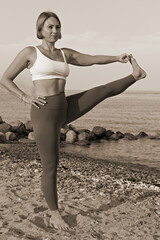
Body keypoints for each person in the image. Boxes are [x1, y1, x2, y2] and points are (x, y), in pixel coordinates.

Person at [0, 11, 146, 230]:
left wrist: (116, 58)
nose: (55, 31)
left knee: (100, 91)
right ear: (40, 29)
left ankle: (136, 75)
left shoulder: (65, 54)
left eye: (57, 27)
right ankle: (54, 214)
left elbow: (93, 59)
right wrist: (25, 97)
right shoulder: (31, 52)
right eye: (50, 27)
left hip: (64, 107)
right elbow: (5, 78)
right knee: (51, 166)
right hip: (44, 113)